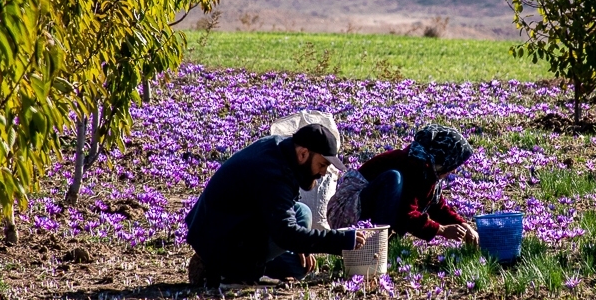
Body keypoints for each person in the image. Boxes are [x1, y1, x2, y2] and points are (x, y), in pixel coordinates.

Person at [186, 123, 366, 286]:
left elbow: (283, 213)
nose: (324, 172)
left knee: (301, 216)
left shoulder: (281, 149)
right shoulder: (273, 172)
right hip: (221, 237)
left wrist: (303, 244)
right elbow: (285, 233)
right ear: (303, 153)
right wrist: (340, 242)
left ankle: (225, 264)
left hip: (234, 224)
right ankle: (222, 271)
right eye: (322, 164)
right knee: (295, 257)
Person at [328, 124, 479, 244]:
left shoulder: (428, 168)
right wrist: (442, 230)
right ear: (443, 159)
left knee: (395, 182)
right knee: (393, 178)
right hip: (345, 213)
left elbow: (436, 206)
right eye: (453, 164)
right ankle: (378, 241)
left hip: (365, 208)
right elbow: (405, 214)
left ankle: (383, 239)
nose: (452, 169)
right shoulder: (412, 165)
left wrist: (464, 225)